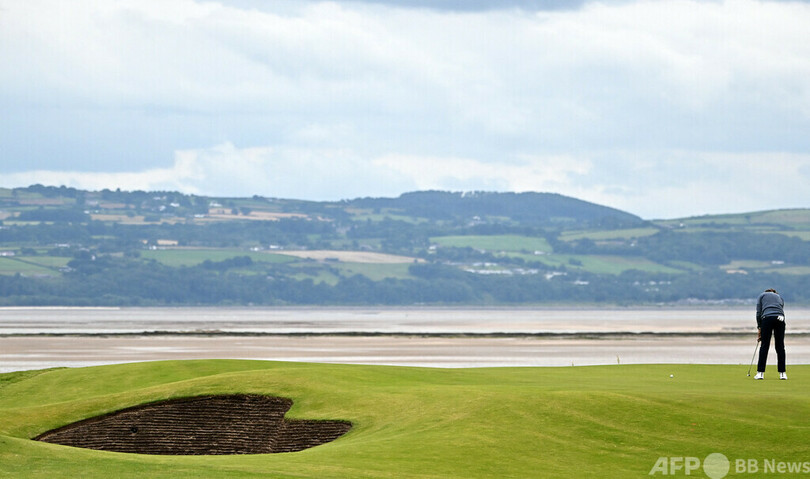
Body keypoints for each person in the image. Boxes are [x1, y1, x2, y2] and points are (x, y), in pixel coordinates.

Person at [755, 288, 787, 380]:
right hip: (780, 319)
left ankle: (760, 373)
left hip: (767, 318)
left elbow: (758, 312)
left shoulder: (761, 295)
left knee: (765, 346)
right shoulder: (779, 297)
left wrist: (759, 328)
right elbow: (781, 310)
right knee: (780, 346)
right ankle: (783, 374)